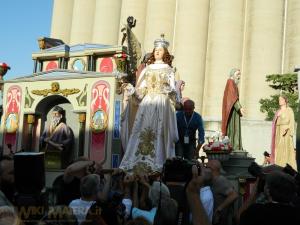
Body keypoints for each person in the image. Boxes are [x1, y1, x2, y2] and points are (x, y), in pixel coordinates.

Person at [119, 34, 178, 173]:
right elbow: (142, 91)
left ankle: (158, 161)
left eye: (161, 49)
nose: (157, 51)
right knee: (141, 130)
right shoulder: (147, 69)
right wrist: (133, 90)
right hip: (147, 103)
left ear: (165, 53)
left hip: (161, 103)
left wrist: (168, 90)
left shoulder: (169, 70)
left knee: (159, 131)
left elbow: (174, 92)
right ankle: (138, 160)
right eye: (156, 49)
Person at [206, 160, 238, 225]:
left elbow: (234, 195)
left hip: (220, 220)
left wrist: (219, 209)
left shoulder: (220, 180)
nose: (205, 170)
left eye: (206, 167)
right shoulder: (211, 180)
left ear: (211, 169)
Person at [270, 95, 297, 169]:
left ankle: (287, 166)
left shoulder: (289, 110)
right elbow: (274, 123)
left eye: (281, 99)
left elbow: (292, 121)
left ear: (285, 101)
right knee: (278, 149)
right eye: (279, 99)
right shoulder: (278, 111)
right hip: (278, 131)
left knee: (285, 149)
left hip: (285, 132)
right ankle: (278, 166)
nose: (279, 101)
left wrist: (289, 131)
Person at [221, 68, 244, 151]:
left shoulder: (233, 83)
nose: (239, 77)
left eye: (239, 74)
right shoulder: (230, 82)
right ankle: (235, 147)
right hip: (232, 110)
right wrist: (239, 107)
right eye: (237, 74)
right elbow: (233, 97)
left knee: (234, 129)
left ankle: (235, 147)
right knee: (234, 129)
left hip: (233, 109)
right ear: (232, 74)